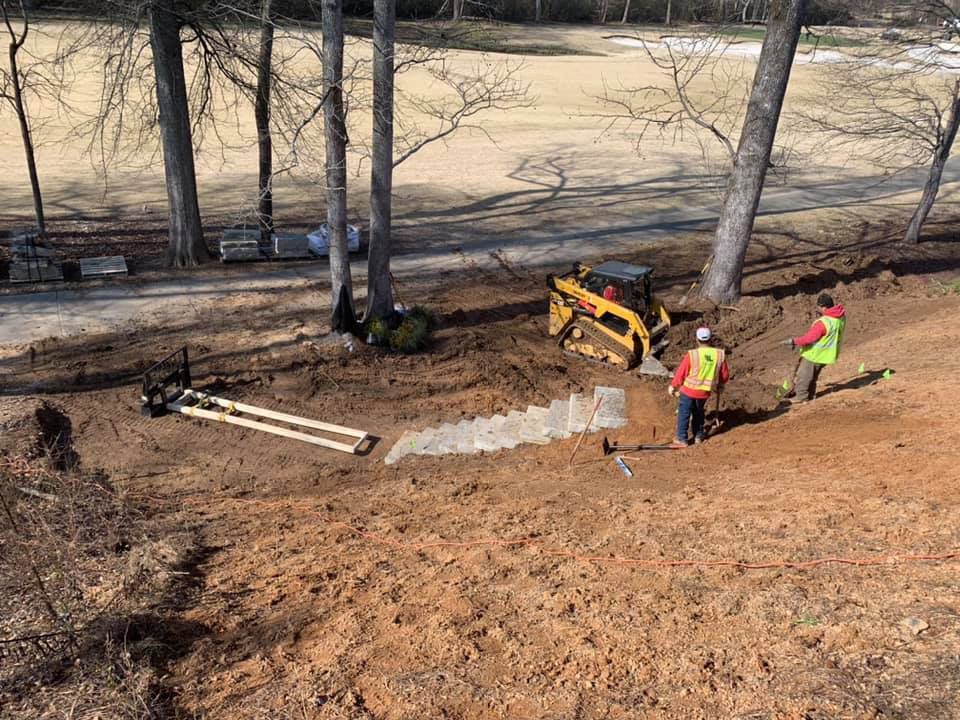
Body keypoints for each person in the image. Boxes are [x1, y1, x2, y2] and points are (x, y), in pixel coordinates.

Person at [668, 327, 730, 447]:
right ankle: (698, 436)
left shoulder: (693, 354)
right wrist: (721, 385)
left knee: (684, 413)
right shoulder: (719, 354)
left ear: (697, 339)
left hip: (688, 391)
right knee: (698, 412)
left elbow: (682, 372)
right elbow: (725, 374)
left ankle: (682, 439)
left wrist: (673, 386)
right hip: (704, 392)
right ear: (710, 339)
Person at [783, 293, 846, 404]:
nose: (817, 309)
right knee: (813, 376)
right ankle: (810, 394)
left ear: (824, 307)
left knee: (804, 375)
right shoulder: (840, 317)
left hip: (814, 354)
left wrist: (794, 341)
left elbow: (809, 338)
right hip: (827, 355)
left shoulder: (824, 322)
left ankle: (801, 396)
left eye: (818, 306)